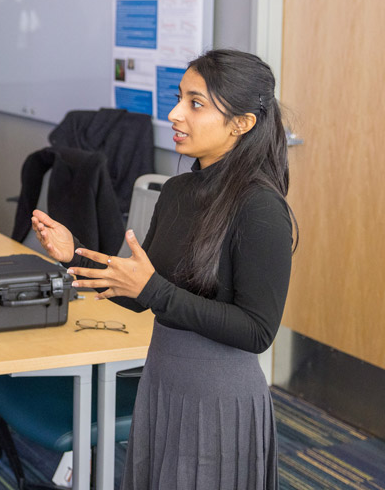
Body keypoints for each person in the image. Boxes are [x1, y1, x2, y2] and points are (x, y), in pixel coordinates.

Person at [32, 49, 296, 490]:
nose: (174, 113)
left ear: (242, 123)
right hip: (162, 383)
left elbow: (257, 331)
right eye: (179, 98)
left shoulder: (261, 208)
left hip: (218, 400)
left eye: (196, 103)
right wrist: (73, 254)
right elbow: (139, 293)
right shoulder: (177, 192)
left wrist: (153, 291)